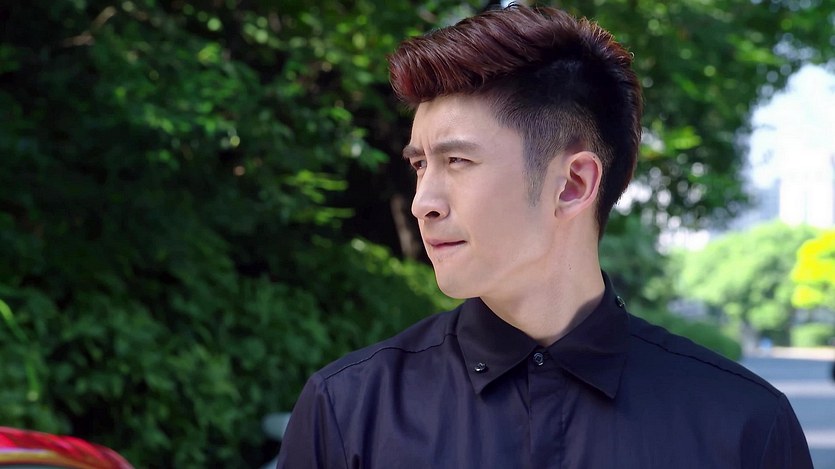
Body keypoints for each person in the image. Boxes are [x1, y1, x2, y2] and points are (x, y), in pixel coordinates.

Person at [277, 4, 812, 468]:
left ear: (573, 185)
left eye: (457, 161)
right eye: (420, 165)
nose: (423, 202)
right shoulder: (348, 410)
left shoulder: (743, 426)